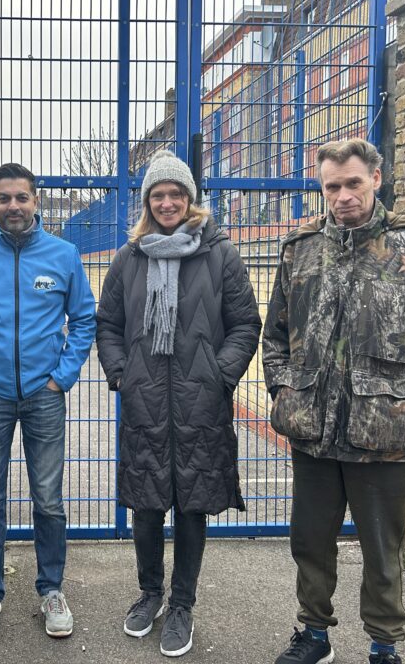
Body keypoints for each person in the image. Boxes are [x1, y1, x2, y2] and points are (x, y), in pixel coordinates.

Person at [262, 138, 405, 664]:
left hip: (384, 437)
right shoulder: (301, 249)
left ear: (376, 178)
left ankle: (383, 645)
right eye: (332, 186)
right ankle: (314, 635)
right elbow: (276, 339)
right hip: (313, 433)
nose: (343, 196)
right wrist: (287, 391)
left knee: (383, 551)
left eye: (353, 182)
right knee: (310, 543)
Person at [95, 150, 261, 657]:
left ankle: (183, 604)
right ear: (148, 202)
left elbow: (244, 323)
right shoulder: (129, 258)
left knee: (192, 506)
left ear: (190, 199)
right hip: (144, 400)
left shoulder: (220, 254)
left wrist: (220, 374)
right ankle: (149, 594)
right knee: (147, 506)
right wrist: (122, 373)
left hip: (200, 401)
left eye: (176, 194)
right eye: (158, 195)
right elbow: (108, 324)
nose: (167, 202)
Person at [0, 162, 96, 639]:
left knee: (48, 501)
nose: (13, 206)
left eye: (21, 197)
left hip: (45, 398)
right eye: (4, 197)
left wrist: (60, 379)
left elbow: (84, 320)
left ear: (36, 200)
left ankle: (51, 590)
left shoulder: (64, 255)